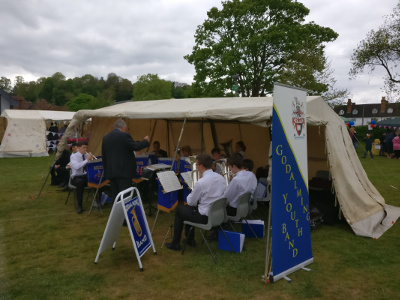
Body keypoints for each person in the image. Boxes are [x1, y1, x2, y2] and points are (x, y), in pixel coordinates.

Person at [165, 154, 226, 251]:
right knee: (188, 210)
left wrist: (193, 191)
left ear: (201, 166)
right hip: (218, 214)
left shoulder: (201, 182)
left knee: (180, 210)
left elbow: (191, 202)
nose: (196, 167)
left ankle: (175, 243)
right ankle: (190, 239)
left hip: (205, 217)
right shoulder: (221, 178)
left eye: (197, 165)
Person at [102, 119, 150, 202]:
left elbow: (104, 156)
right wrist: (145, 141)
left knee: (116, 196)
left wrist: (107, 172)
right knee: (125, 196)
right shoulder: (124, 136)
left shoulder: (105, 138)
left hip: (111, 172)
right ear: (123, 127)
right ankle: (124, 214)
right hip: (124, 172)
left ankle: (116, 214)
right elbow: (136, 147)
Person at [70, 141, 94, 214]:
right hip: (76, 177)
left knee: (97, 180)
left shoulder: (87, 155)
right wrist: (87, 160)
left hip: (85, 176)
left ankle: (97, 202)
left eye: (86, 147)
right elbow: (77, 167)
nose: (85, 149)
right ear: (78, 148)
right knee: (79, 183)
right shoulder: (73, 156)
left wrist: (92, 160)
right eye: (83, 147)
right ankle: (79, 206)